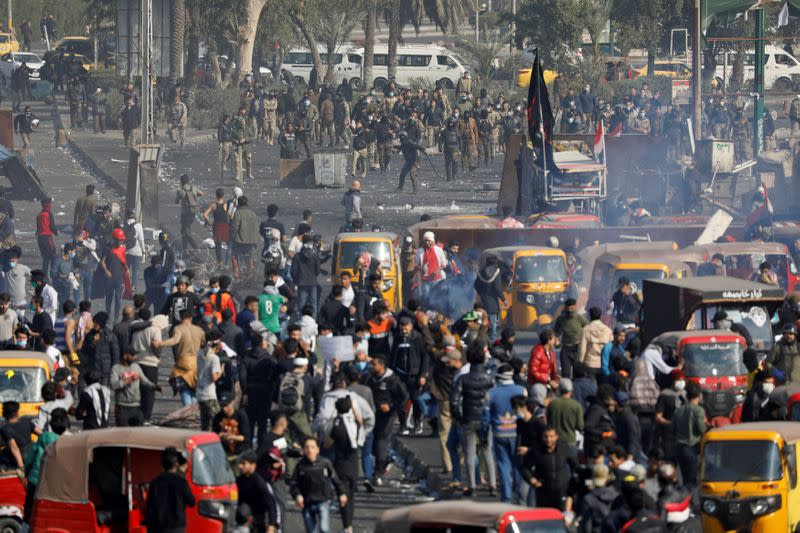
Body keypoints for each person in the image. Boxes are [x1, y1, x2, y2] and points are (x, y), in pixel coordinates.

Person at [451, 345, 496, 496]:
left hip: (469, 418)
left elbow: (454, 400)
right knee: (487, 451)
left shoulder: (463, 379)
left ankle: (472, 486)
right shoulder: (489, 379)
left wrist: (458, 417)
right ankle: (492, 485)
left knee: (469, 453)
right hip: (486, 419)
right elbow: (493, 398)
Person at [488, 364, 527, 503]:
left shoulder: (492, 393)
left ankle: (506, 497)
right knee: (517, 466)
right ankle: (519, 495)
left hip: (499, 433)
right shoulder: (521, 390)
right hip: (517, 434)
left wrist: (484, 433)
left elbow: (485, 416)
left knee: (504, 466)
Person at [23, 407, 68, 522]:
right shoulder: (68, 442)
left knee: (29, 514)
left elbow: (30, 460)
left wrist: (27, 474)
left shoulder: (43, 437)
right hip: (53, 485)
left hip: (35, 481)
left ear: (51, 423)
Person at [368, 354, 407, 485]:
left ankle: (377, 473)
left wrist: (390, 406)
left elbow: (403, 396)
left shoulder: (392, 380)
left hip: (387, 416)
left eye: (374, 364)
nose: (371, 366)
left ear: (381, 365)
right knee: (373, 445)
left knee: (381, 442)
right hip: (373, 414)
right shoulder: (371, 378)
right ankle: (386, 460)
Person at [522, 425, 577, 512]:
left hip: (562, 491)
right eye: (546, 437)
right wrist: (531, 479)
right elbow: (525, 468)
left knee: (562, 518)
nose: (548, 439)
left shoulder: (564, 448)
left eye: (551, 436)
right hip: (544, 492)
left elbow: (575, 465)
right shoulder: (536, 450)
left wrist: (572, 483)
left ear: (556, 437)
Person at [160, 309, 206, 405]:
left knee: (184, 389)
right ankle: (192, 411)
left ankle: (188, 410)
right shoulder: (199, 330)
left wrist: (160, 343)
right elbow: (205, 344)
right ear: (191, 318)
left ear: (181, 318)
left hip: (183, 362)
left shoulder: (179, 329)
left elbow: (174, 341)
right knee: (194, 388)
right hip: (196, 362)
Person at [145, 447, 196, 533]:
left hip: (160, 528)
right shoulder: (181, 482)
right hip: (177, 527)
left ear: (162, 465)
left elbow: (150, 509)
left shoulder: (155, 483)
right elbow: (192, 502)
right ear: (176, 464)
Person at [670, 382, 707, 491]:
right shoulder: (699, 410)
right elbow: (702, 430)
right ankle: (691, 504)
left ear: (686, 396)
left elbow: (672, 430)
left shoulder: (678, 410)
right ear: (699, 396)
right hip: (692, 448)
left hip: (679, 448)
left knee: (685, 479)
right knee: (692, 481)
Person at [111, 349, 160, 426]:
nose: (134, 357)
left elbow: (144, 380)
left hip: (136, 406)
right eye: (132, 355)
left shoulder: (136, 366)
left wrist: (153, 386)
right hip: (122, 407)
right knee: (122, 434)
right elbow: (114, 385)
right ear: (125, 356)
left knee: (138, 432)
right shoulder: (116, 368)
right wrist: (130, 379)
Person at [236, 450, 280, 533]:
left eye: (244, 463)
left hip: (257, 524)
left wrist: (272, 524)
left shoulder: (259, 482)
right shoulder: (239, 481)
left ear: (253, 465)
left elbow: (271, 503)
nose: (240, 466)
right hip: (242, 522)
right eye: (240, 463)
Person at [474, 254, 505, 341]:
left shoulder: (481, 271)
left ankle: (481, 336)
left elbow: (476, 285)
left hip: (483, 299)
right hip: (492, 300)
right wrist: (503, 299)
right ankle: (493, 337)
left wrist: (481, 293)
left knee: (481, 317)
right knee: (493, 319)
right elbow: (498, 288)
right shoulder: (497, 271)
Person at [212, 393, 251, 463]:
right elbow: (214, 435)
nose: (224, 408)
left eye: (226, 405)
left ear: (232, 402)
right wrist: (220, 436)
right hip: (224, 452)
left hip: (240, 453)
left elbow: (245, 437)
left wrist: (231, 437)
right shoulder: (218, 417)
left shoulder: (241, 415)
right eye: (222, 406)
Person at [554, 298, 587, 379]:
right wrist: (556, 340)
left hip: (577, 349)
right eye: (568, 308)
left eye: (572, 308)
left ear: (575, 307)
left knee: (577, 374)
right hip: (565, 349)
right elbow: (556, 333)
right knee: (565, 373)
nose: (570, 310)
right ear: (565, 308)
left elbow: (587, 329)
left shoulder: (580, 318)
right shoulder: (561, 319)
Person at [546, 378, 584, 448]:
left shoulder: (552, 404)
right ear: (571, 390)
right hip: (570, 441)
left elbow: (548, 422)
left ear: (559, 389)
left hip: (555, 441)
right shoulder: (576, 405)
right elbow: (580, 426)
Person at [197, 331, 224, 431]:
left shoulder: (199, 353)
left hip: (200, 392)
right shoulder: (214, 358)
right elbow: (214, 377)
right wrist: (221, 371)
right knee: (219, 421)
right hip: (209, 394)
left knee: (205, 424)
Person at [230, 196, 260, 279]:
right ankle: (250, 276)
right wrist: (256, 241)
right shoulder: (253, 213)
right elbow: (256, 228)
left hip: (239, 241)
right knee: (249, 259)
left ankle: (236, 275)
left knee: (235, 257)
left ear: (239, 203)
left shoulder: (238, 213)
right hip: (251, 241)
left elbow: (234, 228)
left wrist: (232, 238)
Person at [579, 307, 613, 377]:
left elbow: (582, 350)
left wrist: (580, 364)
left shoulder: (586, 329)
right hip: (604, 365)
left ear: (589, 316)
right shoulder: (608, 330)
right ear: (601, 316)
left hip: (589, 363)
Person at [414, 232, 447, 303]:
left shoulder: (438, 250)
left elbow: (444, 263)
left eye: (429, 241)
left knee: (438, 297)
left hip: (437, 279)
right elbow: (415, 265)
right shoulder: (420, 251)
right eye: (425, 241)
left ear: (433, 241)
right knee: (426, 297)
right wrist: (422, 268)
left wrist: (438, 270)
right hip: (425, 280)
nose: (427, 242)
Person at [0, 401, 34, 470]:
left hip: (20, 460)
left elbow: (14, 448)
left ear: (4, 414)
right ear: (17, 412)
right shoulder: (26, 421)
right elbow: (41, 433)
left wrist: (21, 467)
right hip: (32, 455)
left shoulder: (6, 428)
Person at [175, 174, 203, 251]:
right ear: (188, 181)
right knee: (184, 230)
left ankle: (195, 247)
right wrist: (194, 197)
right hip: (193, 212)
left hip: (185, 214)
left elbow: (176, 201)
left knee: (186, 232)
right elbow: (202, 193)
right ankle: (185, 249)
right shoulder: (193, 188)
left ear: (181, 182)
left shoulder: (180, 191)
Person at [35, 197, 58, 275]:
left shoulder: (38, 215)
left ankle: (44, 274)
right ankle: (53, 273)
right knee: (53, 255)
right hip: (47, 237)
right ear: (48, 204)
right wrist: (56, 232)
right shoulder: (49, 214)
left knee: (45, 257)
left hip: (40, 238)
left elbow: (38, 229)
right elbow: (52, 227)